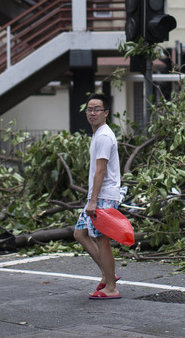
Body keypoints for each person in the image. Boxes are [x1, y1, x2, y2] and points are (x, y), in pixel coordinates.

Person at [73, 93, 122, 300]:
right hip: (99, 195)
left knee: (103, 240)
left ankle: (111, 287)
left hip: (103, 197)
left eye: (97, 110)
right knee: (80, 233)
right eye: (89, 109)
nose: (92, 113)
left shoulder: (103, 136)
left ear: (106, 113)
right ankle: (108, 273)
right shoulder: (99, 133)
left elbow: (100, 170)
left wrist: (93, 200)